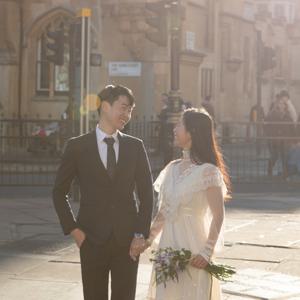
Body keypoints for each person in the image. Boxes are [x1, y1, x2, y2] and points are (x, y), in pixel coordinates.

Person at [53, 84, 154, 300]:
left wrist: (140, 234)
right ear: (106, 106)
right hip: (90, 239)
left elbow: (147, 195)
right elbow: (59, 192)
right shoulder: (77, 147)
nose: (127, 115)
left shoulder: (135, 147)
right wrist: (74, 230)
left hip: (127, 242)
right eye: (123, 108)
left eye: (130, 110)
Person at [144, 108, 230, 300]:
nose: (174, 129)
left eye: (179, 125)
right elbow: (164, 211)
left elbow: (218, 215)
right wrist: (148, 239)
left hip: (194, 247)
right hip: (168, 246)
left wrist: (207, 251)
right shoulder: (171, 168)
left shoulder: (208, 171)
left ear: (192, 131)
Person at [264, 97, 294, 177]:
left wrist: (292, 139)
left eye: (282, 104)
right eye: (279, 103)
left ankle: (285, 173)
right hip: (274, 140)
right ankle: (270, 168)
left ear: (285, 106)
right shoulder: (272, 115)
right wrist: (270, 135)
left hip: (284, 140)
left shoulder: (288, 116)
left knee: (285, 156)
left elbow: (292, 127)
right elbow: (266, 125)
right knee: (274, 156)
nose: (280, 105)